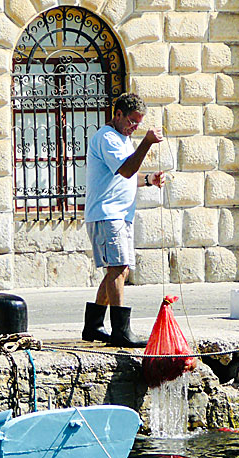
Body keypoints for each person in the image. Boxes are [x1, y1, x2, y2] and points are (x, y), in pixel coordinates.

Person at [82, 93, 165, 348]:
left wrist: (149, 179)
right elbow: (127, 170)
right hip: (107, 214)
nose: (134, 127)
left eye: (138, 124)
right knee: (117, 268)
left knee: (119, 269)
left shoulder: (123, 140)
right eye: (131, 121)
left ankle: (93, 326)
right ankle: (120, 331)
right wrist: (147, 142)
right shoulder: (107, 138)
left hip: (119, 215)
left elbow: (126, 177)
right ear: (117, 114)